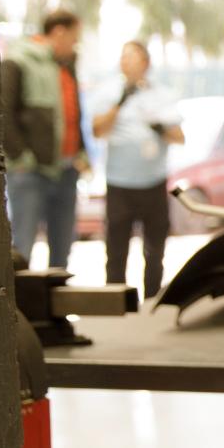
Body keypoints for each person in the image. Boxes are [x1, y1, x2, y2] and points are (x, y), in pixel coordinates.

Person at [91, 40, 184, 300]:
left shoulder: (162, 94)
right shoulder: (109, 92)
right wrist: (120, 103)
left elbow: (179, 137)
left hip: (153, 182)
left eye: (132, 57)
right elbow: (97, 130)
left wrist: (159, 127)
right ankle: (116, 301)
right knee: (116, 248)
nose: (127, 61)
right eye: (124, 57)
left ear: (146, 63)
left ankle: (152, 300)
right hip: (120, 183)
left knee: (155, 250)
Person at [2, 8, 88, 268]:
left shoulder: (66, 66)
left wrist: (81, 152)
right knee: (22, 248)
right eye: (74, 38)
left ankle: (57, 295)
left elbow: (72, 114)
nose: (75, 44)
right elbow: (1, 112)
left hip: (66, 169)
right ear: (59, 32)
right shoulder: (19, 60)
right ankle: (21, 296)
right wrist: (21, 157)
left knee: (62, 251)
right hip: (30, 172)